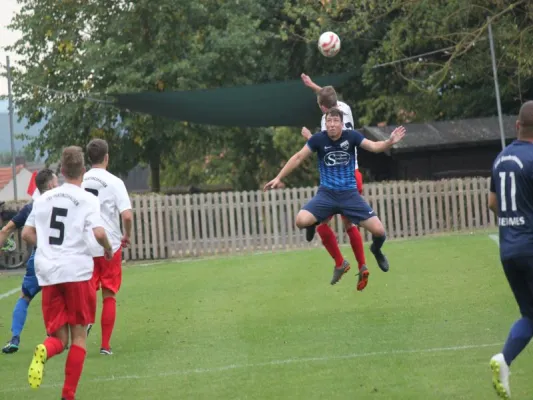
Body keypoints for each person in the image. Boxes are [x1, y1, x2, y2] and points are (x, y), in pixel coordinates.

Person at [264, 108, 406, 284]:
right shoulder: (318, 139)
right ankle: (314, 222)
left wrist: (389, 141)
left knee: (380, 232)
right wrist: (279, 177)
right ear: (325, 124)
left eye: (335, 121)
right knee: (301, 221)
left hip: (349, 195)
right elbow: (299, 157)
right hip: (327, 195)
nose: (331, 125)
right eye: (328, 121)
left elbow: (374, 147)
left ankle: (376, 250)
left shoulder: (351, 136)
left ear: (341, 123)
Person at [22, 146, 113, 400]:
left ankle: (44, 348)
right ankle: (68, 395)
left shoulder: (42, 199)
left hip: (49, 274)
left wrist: (49, 247)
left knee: (59, 339)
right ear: (83, 171)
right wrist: (107, 248)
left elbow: (26, 234)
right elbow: (98, 233)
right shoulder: (87, 199)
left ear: (61, 171)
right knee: (79, 338)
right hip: (77, 273)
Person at [300, 73, 369, 291]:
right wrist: (313, 86)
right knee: (349, 224)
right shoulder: (344, 109)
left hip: (339, 178)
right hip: (355, 174)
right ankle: (363, 265)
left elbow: (323, 147)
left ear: (322, 109)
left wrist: (308, 136)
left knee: (321, 225)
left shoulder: (326, 122)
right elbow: (329, 97)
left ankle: (340, 262)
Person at [488, 100, 533, 399]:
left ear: (517, 126)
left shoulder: (500, 158)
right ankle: (504, 359)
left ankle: (504, 360)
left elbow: (492, 203)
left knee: (529, 314)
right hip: (531, 246)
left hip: (508, 250)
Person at [82, 138, 133, 355]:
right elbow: (127, 215)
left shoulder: (80, 180)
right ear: (107, 157)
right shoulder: (114, 182)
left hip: (85, 244)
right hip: (109, 244)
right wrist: (126, 235)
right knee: (109, 294)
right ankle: (105, 345)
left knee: (87, 291)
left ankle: (83, 327)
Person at [0, 168, 58, 354]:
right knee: (61, 297)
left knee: (24, 297)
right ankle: (56, 338)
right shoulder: (63, 202)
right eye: (57, 182)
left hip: (38, 259)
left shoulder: (32, 206)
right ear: (50, 185)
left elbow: (5, 230)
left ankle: (15, 338)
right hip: (59, 260)